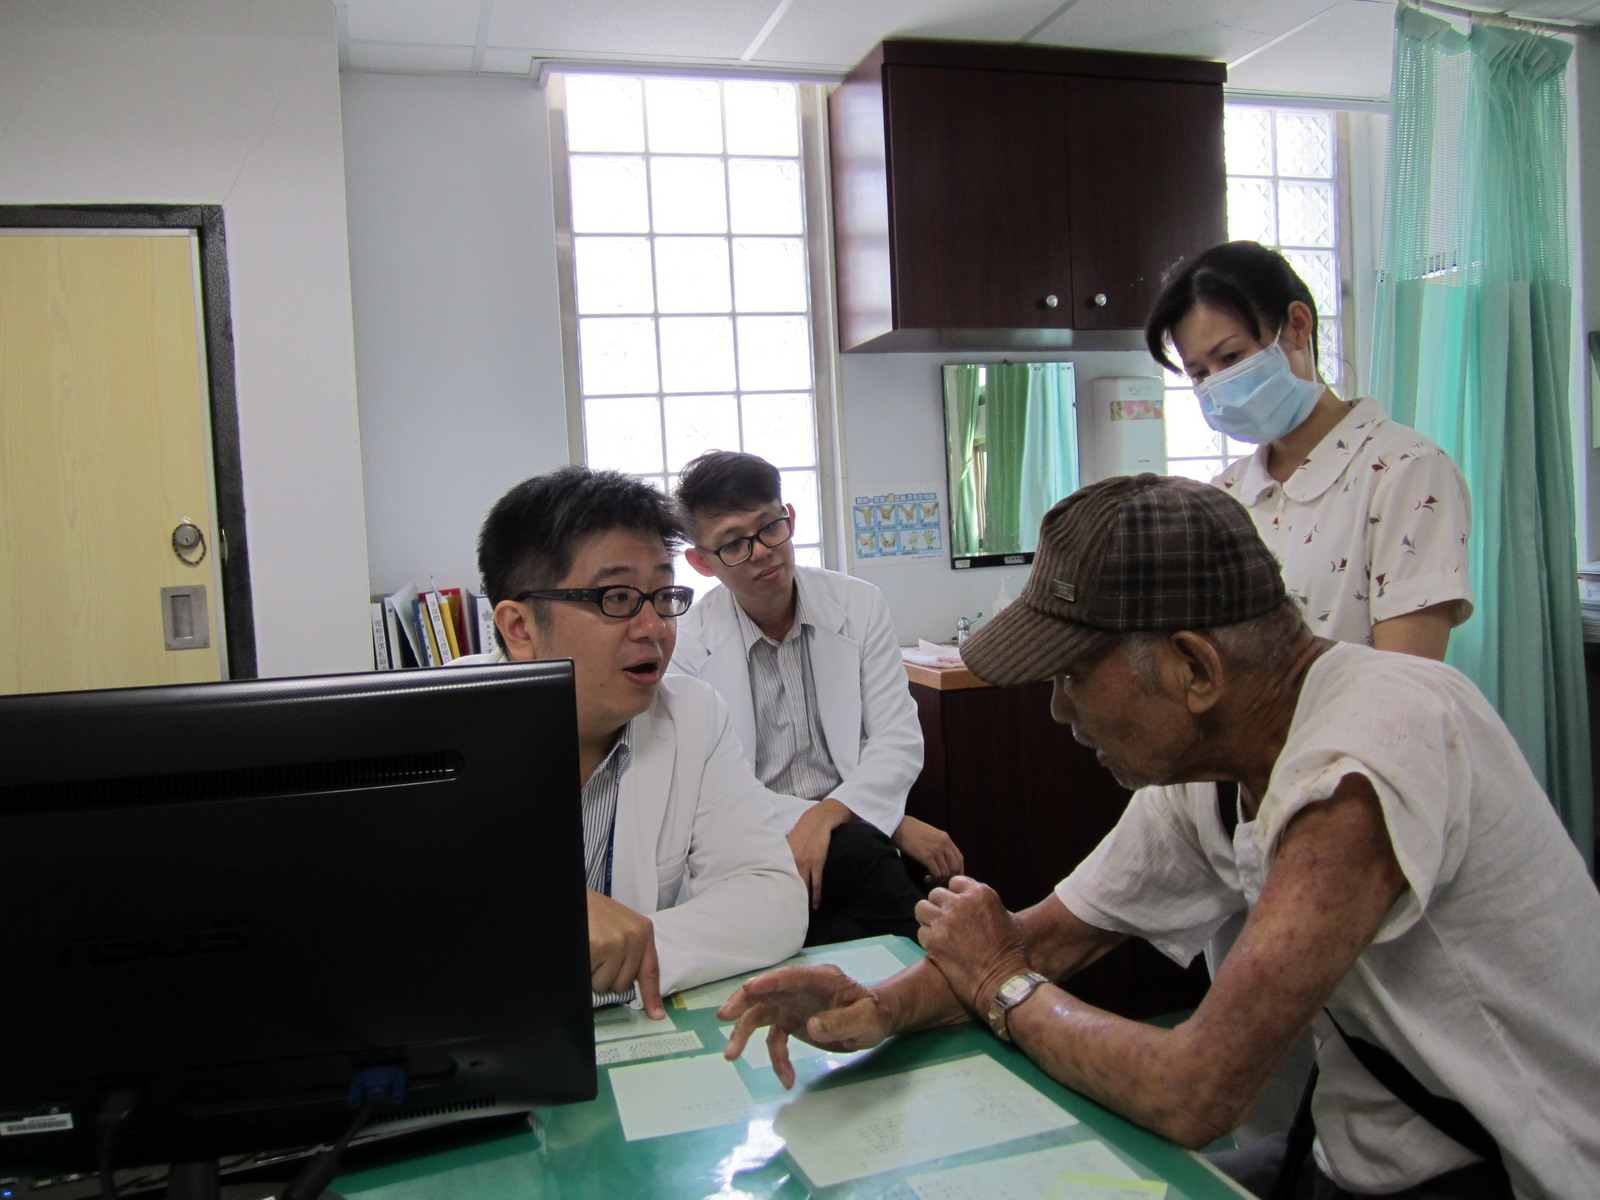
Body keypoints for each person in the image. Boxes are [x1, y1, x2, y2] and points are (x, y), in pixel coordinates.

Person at [719, 474, 1600, 1200]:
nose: (1059, 712)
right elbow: (1046, 939)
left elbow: (1194, 1091)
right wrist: (878, 1007)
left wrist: (1000, 985)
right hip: (1355, 1161)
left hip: (1524, 1172)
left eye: (1072, 675)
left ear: (1194, 668)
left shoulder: (1361, 761)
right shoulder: (1217, 767)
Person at [455, 465, 807, 1016]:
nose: (655, 627)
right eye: (616, 598)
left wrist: (617, 957)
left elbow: (773, 900)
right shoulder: (437, 734)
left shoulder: (692, 716)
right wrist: (555, 925)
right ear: (520, 628)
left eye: (663, 595)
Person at [669, 450, 962, 946]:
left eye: (770, 527)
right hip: (761, 842)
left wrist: (831, 814)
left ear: (789, 518)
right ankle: (973, 969)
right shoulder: (687, 646)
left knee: (854, 920)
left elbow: (896, 739)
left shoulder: (857, 604)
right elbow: (716, 789)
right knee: (872, 893)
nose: (762, 551)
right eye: (734, 543)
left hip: (855, 826)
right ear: (701, 562)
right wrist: (888, 823)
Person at [1146, 240, 1472, 659]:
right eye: (1199, 373)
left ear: (1297, 326)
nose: (1218, 384)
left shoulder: (1405, 470)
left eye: (1230, 357)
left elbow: (1406, 675)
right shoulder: (1225, 495)